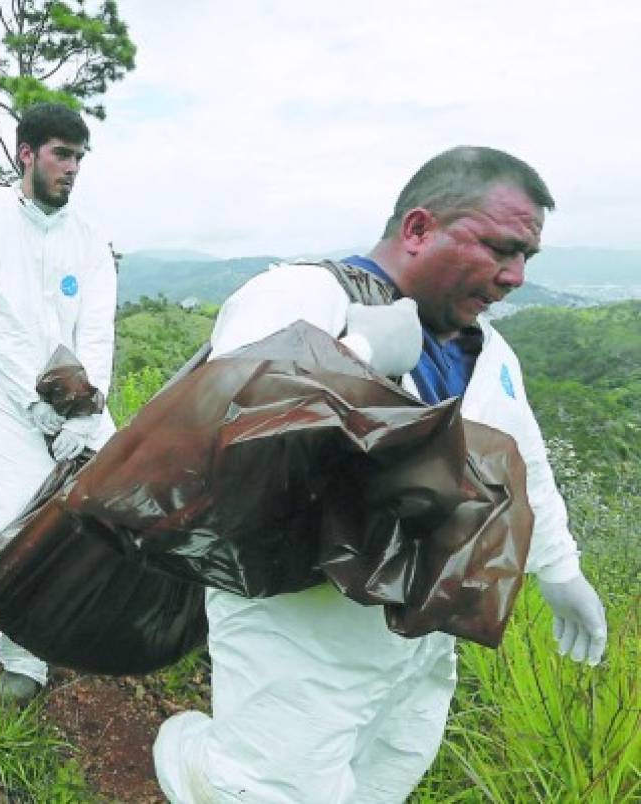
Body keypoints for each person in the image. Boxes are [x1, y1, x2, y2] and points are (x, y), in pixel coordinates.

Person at [153, 146, 610, 804]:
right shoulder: (302, 293)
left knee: (390, 770)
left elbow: (523, 460)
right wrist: (358, 356)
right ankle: (195, 762)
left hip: (416, 630)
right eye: (499, 248)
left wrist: (559, 568)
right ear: (420, 229)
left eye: (525, 258)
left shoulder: (488, 348)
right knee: (267, 789)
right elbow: (228, 432)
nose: (514, 276)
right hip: (300, 623)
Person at [0, 103, 117, 701]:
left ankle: (82, 625)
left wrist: (87, 409)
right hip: (3, 398)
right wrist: (36, 402)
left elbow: (97, 329)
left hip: (77, 406)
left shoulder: (88, 238)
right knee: (15, 519)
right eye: (61, 155)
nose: (72, 168)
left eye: (79, 157)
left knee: (104, 508)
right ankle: (23, 656)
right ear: (27, 154)